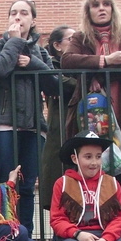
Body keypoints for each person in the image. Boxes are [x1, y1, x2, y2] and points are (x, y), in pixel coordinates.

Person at [0, 0, 58, 233]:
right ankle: (4, 231)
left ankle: (26, 234)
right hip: (2, 123)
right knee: (5, 183)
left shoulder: (41, 51)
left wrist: (32, 63)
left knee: (27, 186)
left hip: (34, 126)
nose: (18, 17)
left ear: (32, 20)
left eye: (24, 13)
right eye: (14, 12)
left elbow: (55, 85)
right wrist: (15, 41)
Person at [61, 0, 121, 142]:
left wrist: (99, 77)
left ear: (112, 9)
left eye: (106, 4)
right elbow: (67, 60)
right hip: (90, 110)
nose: (101, 8)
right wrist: (105, 60)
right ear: (88, 12)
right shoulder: (80, 37)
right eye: (95, 5)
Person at [41, 25, 77, 209]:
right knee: (58, 176)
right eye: (71, 39)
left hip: (79, 125)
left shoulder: (79, 64)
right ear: (57, 45)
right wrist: (83, 84)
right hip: (59, 128)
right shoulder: (51, 65)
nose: (76, 41)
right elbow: (56, 81)